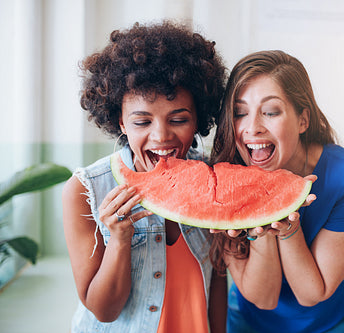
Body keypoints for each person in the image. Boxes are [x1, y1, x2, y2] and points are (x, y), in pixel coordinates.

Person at [62, 21, 227, 333]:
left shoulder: (211, 180)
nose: (161, 136)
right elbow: (103, 310)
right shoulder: (87, 190)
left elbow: (218, 283)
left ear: (198, 120)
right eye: (142, 122)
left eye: (178, 119)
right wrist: (120, 240)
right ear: (120, 122)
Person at [209, 50, 344, 333]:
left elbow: (313, 293)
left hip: (330, 323)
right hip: (251, 321)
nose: (252, 128)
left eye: (271, 112)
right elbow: (263, 297)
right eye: (239, 113)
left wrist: (287, 229)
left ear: (302, 120)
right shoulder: (223, 176)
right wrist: (262, 211)